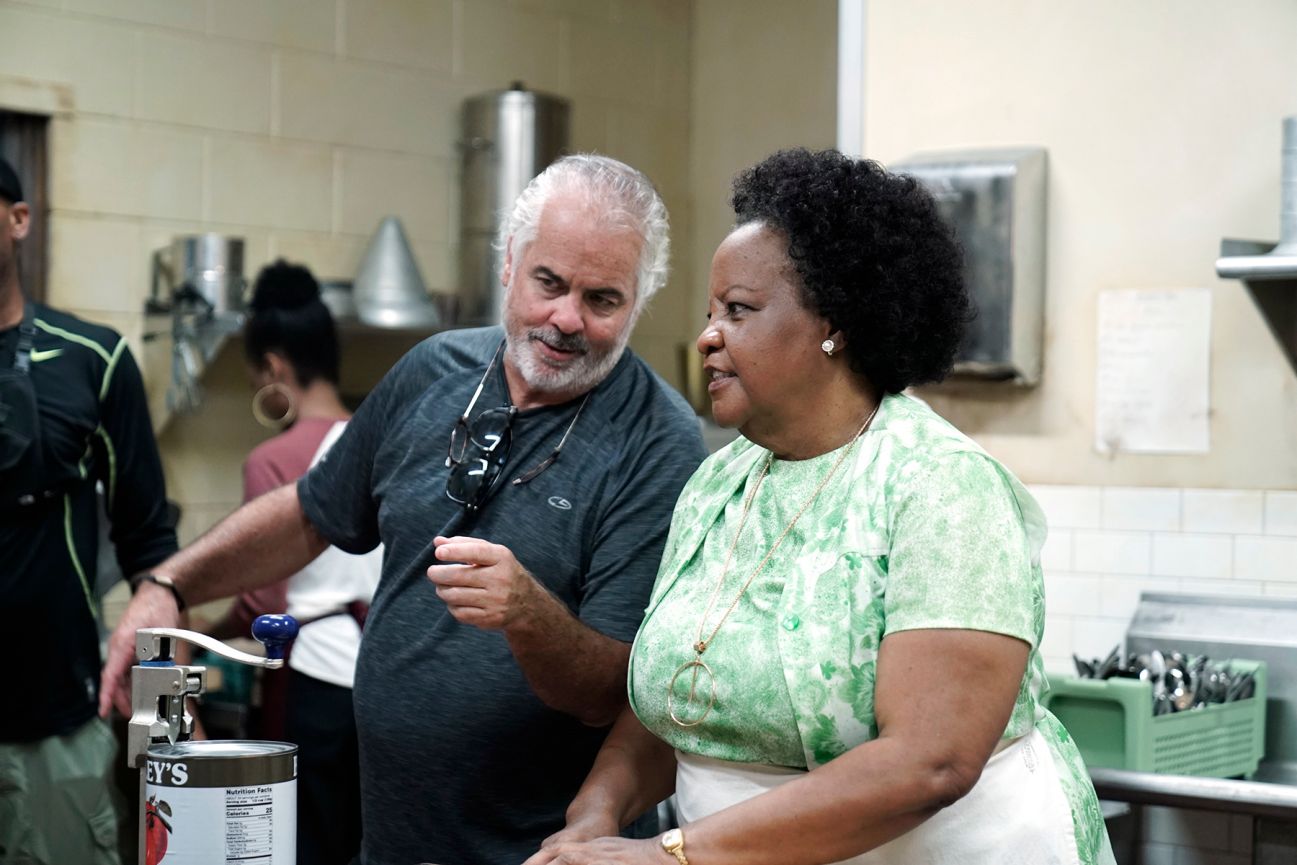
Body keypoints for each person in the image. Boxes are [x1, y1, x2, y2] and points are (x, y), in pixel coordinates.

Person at [100, 153, 708, 865]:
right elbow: (310, 514)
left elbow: (608, 692)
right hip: (392, 843)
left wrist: (528, 614)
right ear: (509, 263)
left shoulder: (657, 437)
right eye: (549, 282)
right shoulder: (433, 370)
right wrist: (169, 585)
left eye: (602, 300)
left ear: (638, 301)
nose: (565, 318)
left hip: (543, 853)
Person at [526, 148, 1116, 865]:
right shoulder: (717, 485)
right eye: (710, 313)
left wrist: (670, 854)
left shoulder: (941, 485)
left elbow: (931, 761)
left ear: (833, 325)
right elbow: (679, 700)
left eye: (738, 310)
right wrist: (596, 814)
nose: (707, 336)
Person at [0, 157, 178, 864]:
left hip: (58, 722)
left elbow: (151, 546)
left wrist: (168, 726)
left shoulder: (92, 359)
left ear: (19, 219)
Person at [193, 259, 381, 865]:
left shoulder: (273, 459)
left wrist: (204, 632)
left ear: (274, 369)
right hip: (381, 682)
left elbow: (262, 602)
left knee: (302, 845)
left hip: (313, 683)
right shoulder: (379, 443)